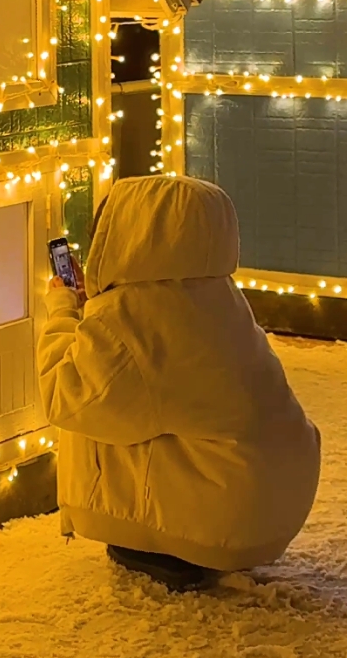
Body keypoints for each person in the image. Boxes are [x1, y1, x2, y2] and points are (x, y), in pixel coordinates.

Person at [37, 175, 321, 592]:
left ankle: (164, 546)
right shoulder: (215, 296)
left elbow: (65, 395)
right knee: (136, 405)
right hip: (273, 506)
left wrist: (63, 310)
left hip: (226, 522)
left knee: (95, 416)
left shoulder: (133, 316)